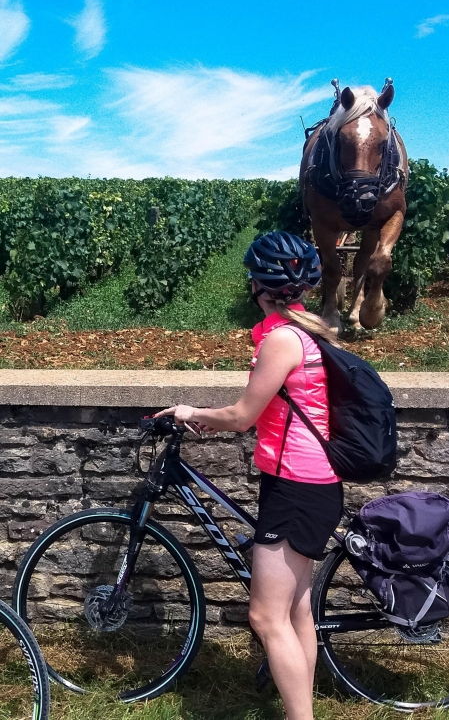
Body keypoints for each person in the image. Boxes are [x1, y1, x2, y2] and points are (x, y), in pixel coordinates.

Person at [154, 231, 344, 720]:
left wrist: (188, 411)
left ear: (258, 285)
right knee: (296, 608)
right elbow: (267, 415)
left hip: (296, 487)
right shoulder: (309, 332)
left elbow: (243, 415)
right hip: (312, 483)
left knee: (265, 615)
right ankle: (297, 710)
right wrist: (209, 419)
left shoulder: (282, 338)